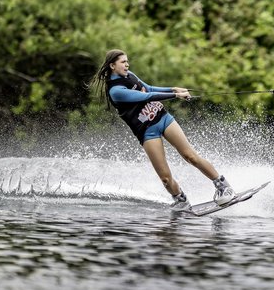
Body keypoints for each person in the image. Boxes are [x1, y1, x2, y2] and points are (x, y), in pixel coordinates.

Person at [89, 49, 234, 211]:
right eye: (123, 62)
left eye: (127, 61)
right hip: (146, 131)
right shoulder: (115, 91)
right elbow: (146, 96)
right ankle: (181, 201)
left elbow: (149, 89)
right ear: (112, 66)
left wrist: (174, 89)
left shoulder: (130, 75)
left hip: (163, 118)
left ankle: (223, 186)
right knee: (165, 177)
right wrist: (175, 96)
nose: (127, 65)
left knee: (190, 156)